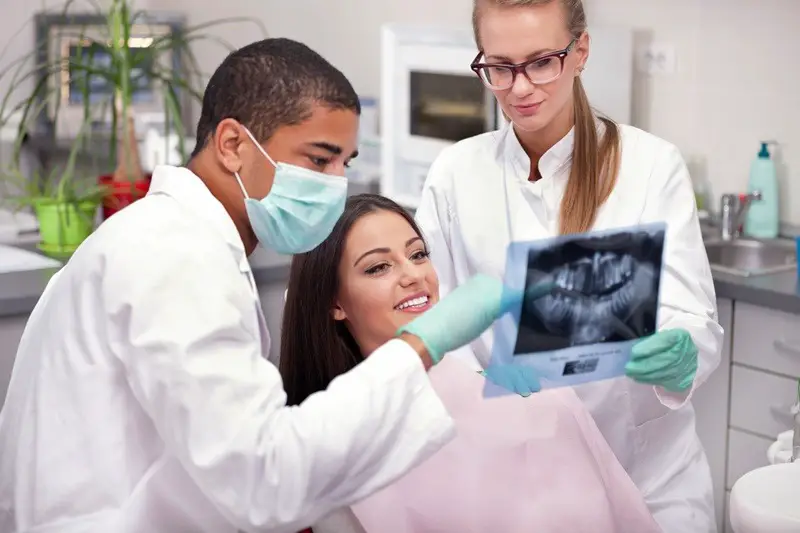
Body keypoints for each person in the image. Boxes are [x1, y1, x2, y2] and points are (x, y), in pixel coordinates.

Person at [0, 38, 518, 533]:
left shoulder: (184, 244)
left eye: (345, 163)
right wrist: (421, 345)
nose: (336, 185)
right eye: (318, 160)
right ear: (232, 144)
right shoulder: (171, 254)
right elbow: (264, 480)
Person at [414, 1, 724, 532]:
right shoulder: (455, 173)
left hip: (645, 476)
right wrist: (476, 381)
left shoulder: (649, 165)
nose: (519, 88)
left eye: (540, 62)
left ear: (580, 51)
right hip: (513, 475)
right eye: (499, 66)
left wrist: (680, 351)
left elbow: (688, 312)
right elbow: (435, 315)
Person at [279, 193, 661, 533]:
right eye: (378, 267)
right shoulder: (329, 445)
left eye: (418, 255)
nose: (413, 276)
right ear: (335, 303)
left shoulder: (519, 396)